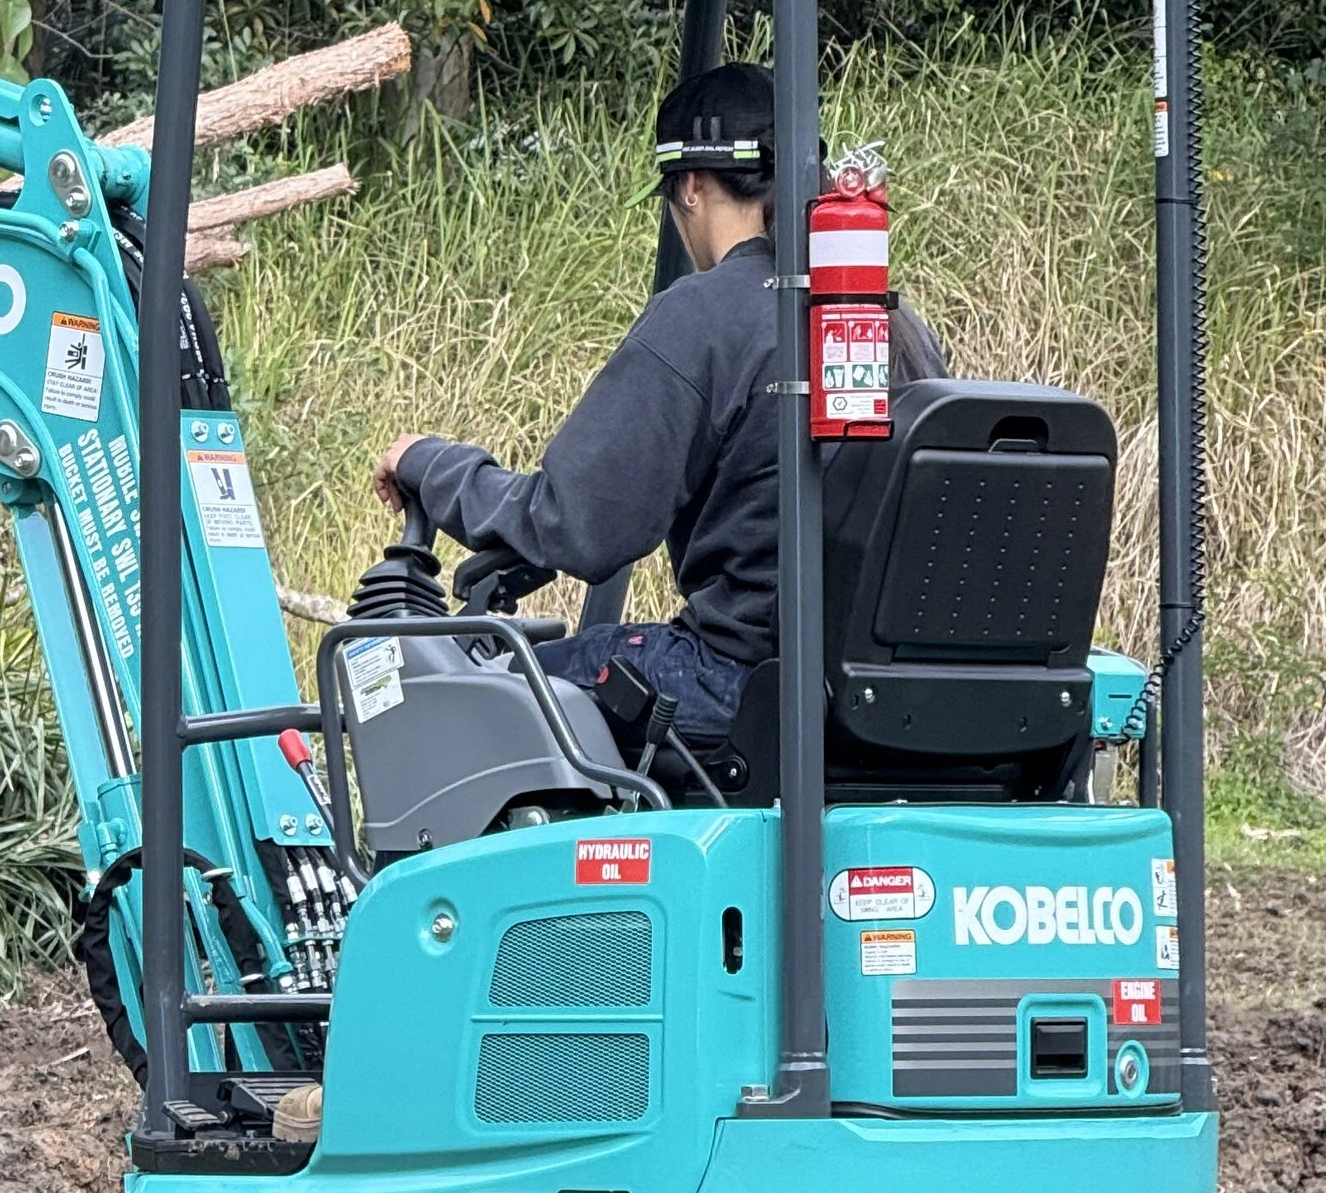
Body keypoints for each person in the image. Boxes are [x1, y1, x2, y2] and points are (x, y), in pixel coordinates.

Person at [375, 61, 943, 756]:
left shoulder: (706, 318)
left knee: (467, 695)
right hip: (887, 697)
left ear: (693, 186)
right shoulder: (889, 319)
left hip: (742, 684)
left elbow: (576, 524)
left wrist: (429, 465)